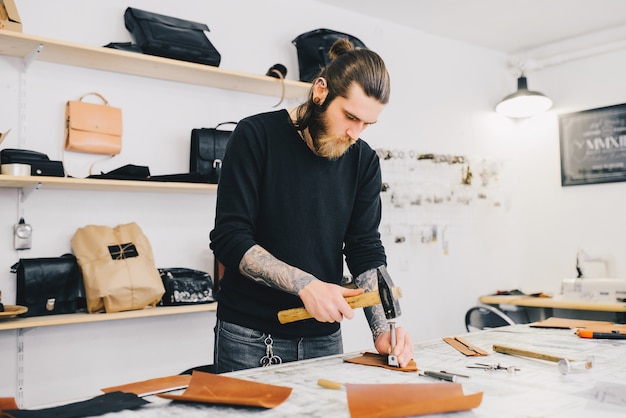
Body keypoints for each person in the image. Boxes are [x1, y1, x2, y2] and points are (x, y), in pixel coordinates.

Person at [209, 38, 413, 373]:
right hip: (250, 335)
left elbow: (365, 250)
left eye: (367, 124)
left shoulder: (363, 160)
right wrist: (306, 285)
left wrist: (384, 330)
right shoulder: (255, 136)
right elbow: (230, 239)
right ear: (320, 91)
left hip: (325, 337)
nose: (355, 133)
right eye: (349, 116)